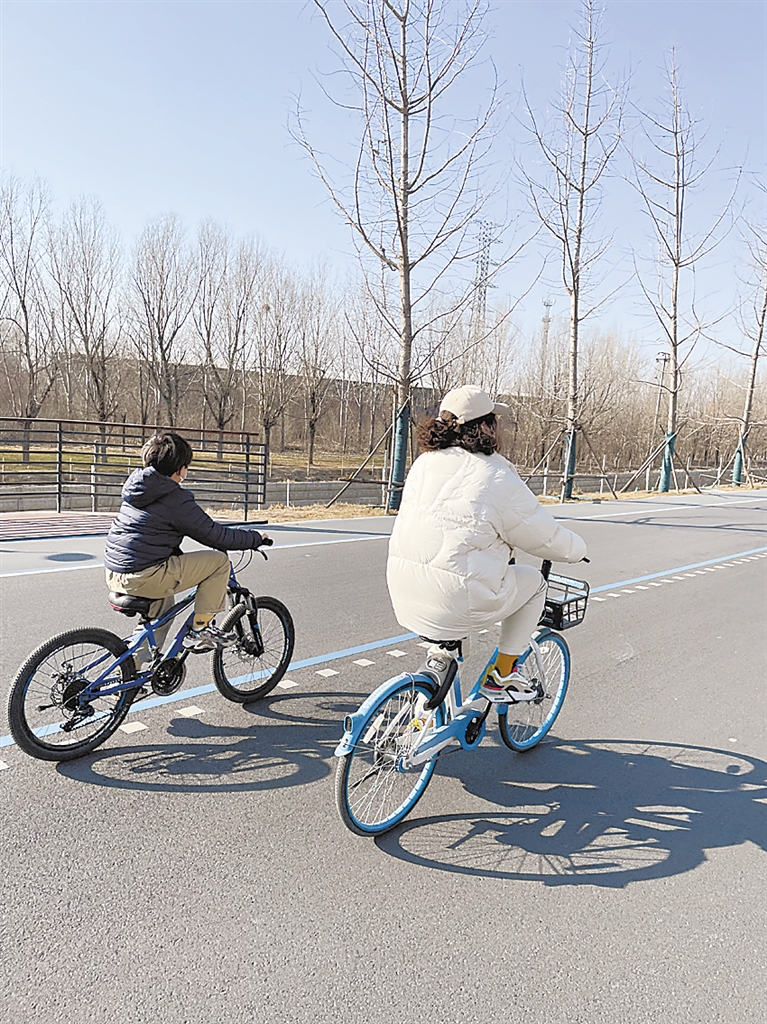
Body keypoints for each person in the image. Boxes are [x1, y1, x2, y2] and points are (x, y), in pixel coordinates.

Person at [386, 384, 587, 701]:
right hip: (455, 599)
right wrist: (578, 550)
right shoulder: (496, 475)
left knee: (453, 585)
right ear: (485, 427)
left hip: (403, 592)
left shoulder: (424, 463)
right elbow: (544, 536)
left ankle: (433, 684)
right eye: (494, 420)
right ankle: (504, 674)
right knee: (535, 584)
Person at [104, 431, 269, 657]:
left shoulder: (139, 488)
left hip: (115, 572)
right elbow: (215, 536)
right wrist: (255, 538)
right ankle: (199, 630)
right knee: (219, 562)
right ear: (181, 469)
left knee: (163, 611)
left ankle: (133, 669)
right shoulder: (175, 498)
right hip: (144, 575)